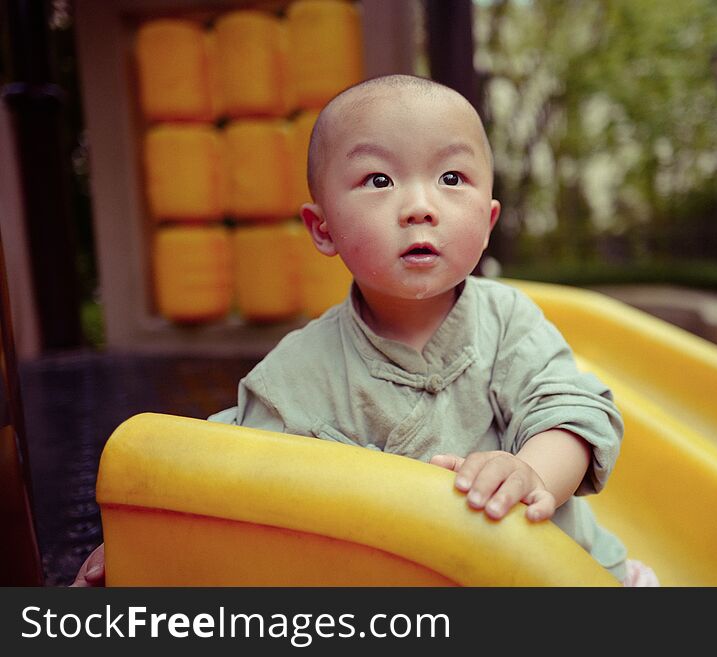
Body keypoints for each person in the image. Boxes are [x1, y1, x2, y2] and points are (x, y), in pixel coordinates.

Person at [73, 74, 657, 587]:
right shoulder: (300, 371)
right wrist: (144, 539)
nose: (420, 206)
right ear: (323, 229)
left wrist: (533, 472)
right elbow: (229, 470)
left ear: (487, 221)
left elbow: (570, 411)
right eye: (379, 181)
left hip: (557, 572)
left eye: (452, 177)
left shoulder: (508, 323)